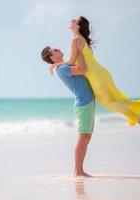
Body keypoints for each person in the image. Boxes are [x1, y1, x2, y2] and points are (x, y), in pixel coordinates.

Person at [49, 16, 140, 130]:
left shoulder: (75, 39)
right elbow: (75, 61)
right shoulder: (80, 38)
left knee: (110, 103)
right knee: (116, 97)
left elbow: (71, 61)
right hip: (101, 73)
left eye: (74, 20)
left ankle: (139, 112)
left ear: (78, 26)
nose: (71, 20)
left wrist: (56, 64)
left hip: (96, 77)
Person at [41, 41, 94, 177]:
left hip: (87, 102)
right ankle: (78, 171)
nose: (59, 49)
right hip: (84, 103)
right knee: (83, 137)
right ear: (52, 57)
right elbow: (83, 70)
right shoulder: (63, 69)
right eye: (56, 49)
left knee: (87, 137)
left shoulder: (62, 66)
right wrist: (81, 52)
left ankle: (80, 170)